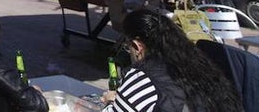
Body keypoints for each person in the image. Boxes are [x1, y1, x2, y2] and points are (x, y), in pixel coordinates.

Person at [102, 9, 243, 112]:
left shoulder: (144, 76)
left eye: (128, 48)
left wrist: (110, 102)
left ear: (136, 46)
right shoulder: (201, 68)